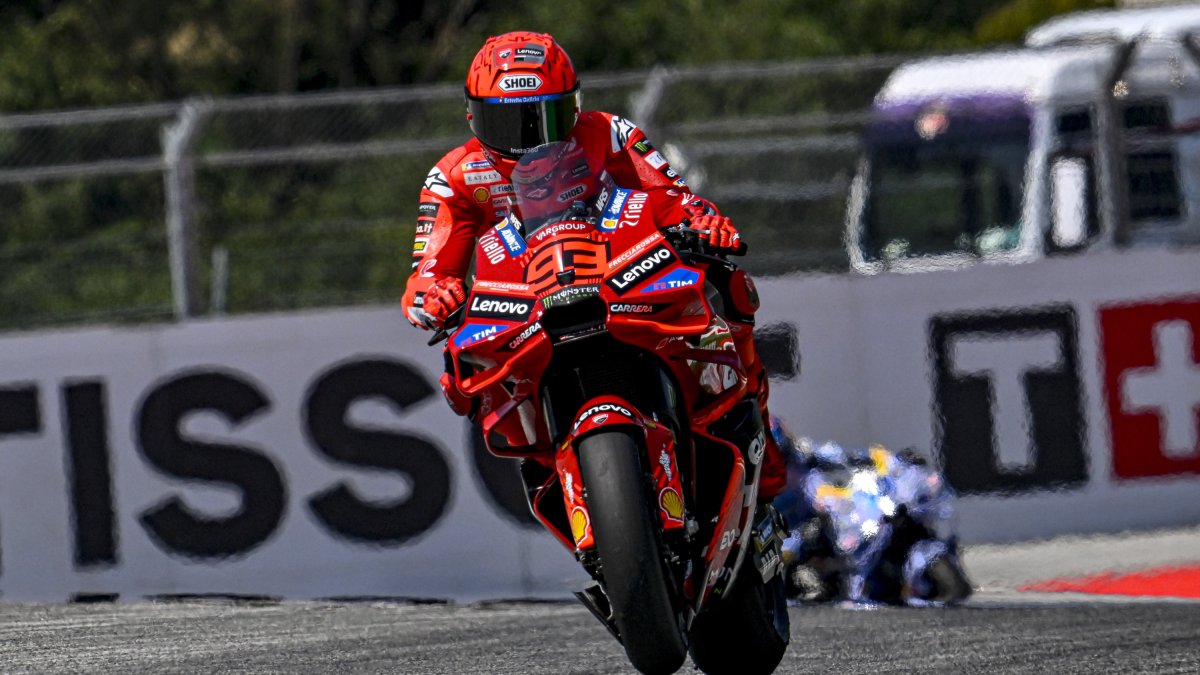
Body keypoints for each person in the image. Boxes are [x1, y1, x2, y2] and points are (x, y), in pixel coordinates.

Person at [401, 31, 786, 498]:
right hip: (523, 305)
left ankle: (756, 437)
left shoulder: (611, 133)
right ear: (472, 116)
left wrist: (700, 220)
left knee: (728, 287)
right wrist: (433, 295)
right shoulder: (452, 178)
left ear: (575, 107)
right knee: (460, 369)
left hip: (619, 273)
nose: (529, 139)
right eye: (508, 123)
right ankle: (549, 463)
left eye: (546, 117)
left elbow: (670, 197)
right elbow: (428, 270)